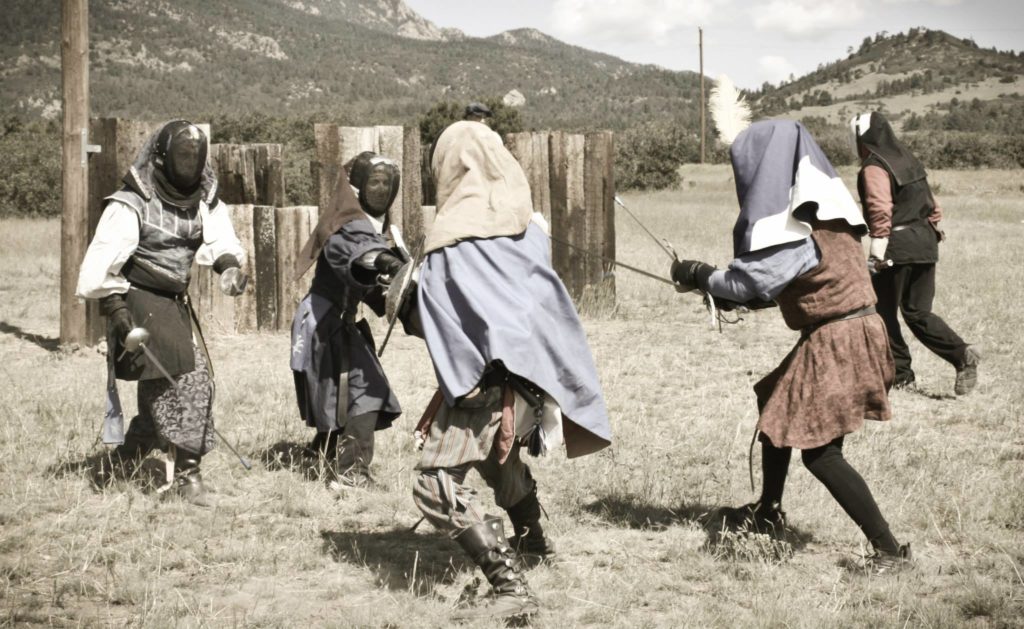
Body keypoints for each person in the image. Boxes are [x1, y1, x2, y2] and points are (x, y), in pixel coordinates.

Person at [670, 119, 911, 574]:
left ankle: (889, 551)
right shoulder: (822, 209)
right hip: (847, 331)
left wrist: (698, 274)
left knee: (822, 453)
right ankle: (768, 511)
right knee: (774, 401)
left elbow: (753, 282)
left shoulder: (800, 222)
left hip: (839, 339)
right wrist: (721, 289)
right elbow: (781, 284)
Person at [410, 120, 612, 618]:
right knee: (499, 463)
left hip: (486, 385)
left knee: (434, 481)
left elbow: (433, 321)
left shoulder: (450, 239)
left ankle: (508, 586)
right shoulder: (528, 230)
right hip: (531, 384)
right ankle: (534, 543)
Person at [77, 120, 248, 506]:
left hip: (172, 301)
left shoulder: (205, 197)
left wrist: (229, 267)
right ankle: (187, 479)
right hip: (137, 298)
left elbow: (220, 241)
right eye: (182, 154)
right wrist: (118, 311)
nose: (189, 162)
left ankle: (122, 462)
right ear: (162, 155)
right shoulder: (133, 200)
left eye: (195, 155)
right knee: (188, 379)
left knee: (164, 385)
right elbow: (101, 268)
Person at [290, 152, 404, 490]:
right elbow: (358, 259)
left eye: (387, 183)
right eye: (374, 182)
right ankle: (351, 474)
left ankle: (322, 453)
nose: (381, 189)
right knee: (366, 392)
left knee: (343, 393)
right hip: (323, 323)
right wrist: (386, 262)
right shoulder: (343, 226)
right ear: (356, 186)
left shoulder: (371, 228)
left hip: (340, 320)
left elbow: (366, 284)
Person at [852, 111, 980, 394]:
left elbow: (880, 210)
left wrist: (876, 253)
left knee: (881, 313)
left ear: (862, 137)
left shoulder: (875, 167)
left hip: (897, 248)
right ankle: (962, 355)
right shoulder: (909, 160)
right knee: (918, 312)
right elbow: (933, 207)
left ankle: (901, 374)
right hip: (925, 242)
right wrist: (926, 233)